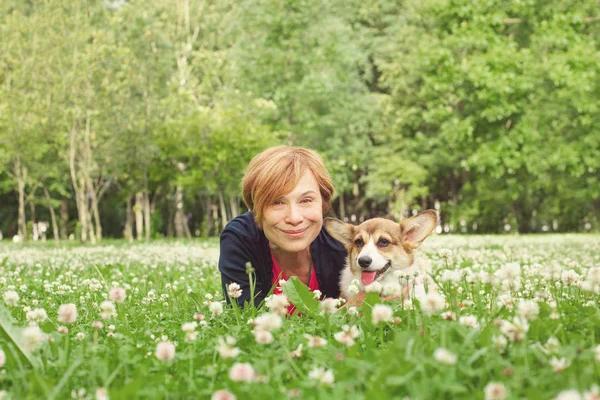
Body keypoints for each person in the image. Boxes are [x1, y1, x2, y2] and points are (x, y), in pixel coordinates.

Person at [218, 145, 347, 309]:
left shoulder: (341, 245)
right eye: (277, 202)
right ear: (256, 208)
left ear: (323, 202)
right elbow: (246, 317)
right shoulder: (240, 238)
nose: (294, 218)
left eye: (306, 200)